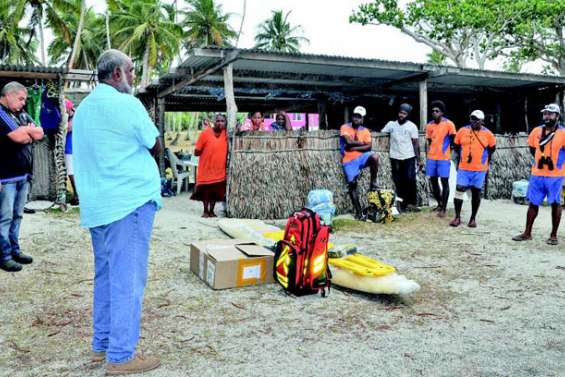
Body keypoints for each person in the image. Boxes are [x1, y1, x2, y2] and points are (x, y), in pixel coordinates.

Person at [73, 49, 162, 375]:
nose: (133, 76)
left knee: (107, 277)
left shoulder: (83, 110)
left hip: (99, 207)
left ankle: (102, 346)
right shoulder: (126, 104)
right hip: (128, 204)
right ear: (116, 74)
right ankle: (121, 356)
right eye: (131, 70)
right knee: (128, 281)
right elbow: (155, 145)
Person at [0, 81, 44, 272]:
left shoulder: (21, 114)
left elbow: (39, 133)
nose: (23, 103)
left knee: (17, 215)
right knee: (5, 217)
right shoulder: (1, 113)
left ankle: (15, 250)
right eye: (20, 99)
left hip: (23, 174)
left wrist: (26, 131)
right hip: (6, 176)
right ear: (8, 95)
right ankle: (4, 255)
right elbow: (20, 138)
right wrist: (26, 132)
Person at [513, 104, 565, 245]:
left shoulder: (563, 133)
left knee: (555, 203)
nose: (547, 116)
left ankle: (553, 235)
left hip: (555, 176)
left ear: (557, 116)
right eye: (545, 114)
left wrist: (558, 164)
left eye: (551, 114)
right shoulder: (536, 131)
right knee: (533, 203)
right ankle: (527, 232)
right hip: (537, 174)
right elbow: (532, 149)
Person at [449, 110, 496, 228]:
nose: (473, 121)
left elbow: (492, 148)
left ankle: (473, 218)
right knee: (459, 190)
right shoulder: (462, 131)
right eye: (472, 118)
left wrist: (483, 161)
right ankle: (457, 217)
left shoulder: (488, 134)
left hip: (479, 169)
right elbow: (456, 145)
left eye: (476, 119)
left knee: (476, 192)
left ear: (482, 121)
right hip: (464, 168)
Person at [340, 106, 379, 220]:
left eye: (359, 117)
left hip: (362, 157)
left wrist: (354, 145)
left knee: (375, 157)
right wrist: (362, 144)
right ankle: (359, 212)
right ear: (352, 117)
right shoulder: (345, 127)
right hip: (349, 159)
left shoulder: (365, 130)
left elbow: (369, 147)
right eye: (355, 116)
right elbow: (348, 141)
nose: (356, 118)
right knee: (352, 184)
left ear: (362, 119)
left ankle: (373, 182)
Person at [381, 103, 421, 212]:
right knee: (398, 181)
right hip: (395, 156)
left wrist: (419, 159)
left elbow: (415, 143)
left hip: (408, 156)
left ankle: (411, 203)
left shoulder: (412, 126)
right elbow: (381, 134)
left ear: (408, 115)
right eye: (400, 112)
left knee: (409, 179)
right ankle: (401, 204)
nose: (401, 115)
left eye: (404, 113)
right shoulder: (391, 125)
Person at [191, 113, 228, 217]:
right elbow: (196, 152)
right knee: (206, 192)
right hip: (206, 168)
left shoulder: (226, 134)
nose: (220, 123)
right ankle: (205, 211)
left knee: (215, 192)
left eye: (222, 121)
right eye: (218, 121)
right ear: (213, 122)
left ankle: (212, 211)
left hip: (219, 169)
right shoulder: (205, 133)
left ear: (225, 123)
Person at [425, 100, 456, 217]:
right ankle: (439, 203)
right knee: (433, 181)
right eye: (433, 111)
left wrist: (448, 153)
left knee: (444, 181)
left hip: (444, 158)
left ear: (442, 112)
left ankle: (444, 208)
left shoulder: (449, 124)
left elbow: (453, 141)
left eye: (437, 111)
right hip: (432, 157)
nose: (434, 113)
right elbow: (429, 141)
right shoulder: (429, 125)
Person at [64, 98, 79, 205]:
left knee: (71, 172)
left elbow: (68, 128)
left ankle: (77, 195)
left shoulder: (75, 117)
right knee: (71, 172)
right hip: (70, 146)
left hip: (71, 147)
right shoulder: (73, 116)